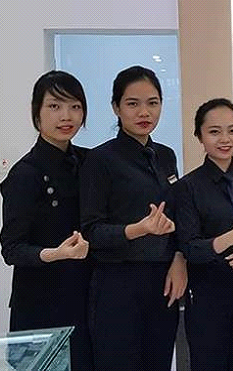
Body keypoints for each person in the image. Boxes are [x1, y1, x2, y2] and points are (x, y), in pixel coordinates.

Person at [80, 66, 187, 371]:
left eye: (153, 103)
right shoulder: (100, 159)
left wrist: (179, 259)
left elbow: (176, 215)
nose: (144, 112)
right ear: (116, 107)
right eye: (132, 103)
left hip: (163, 281)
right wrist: (138, 229)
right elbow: (91, 231)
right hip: (117, 283)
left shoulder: (166, 155)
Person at [0, 71, 93, 370]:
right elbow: (11, 249)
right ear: (36, 112)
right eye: (54, 106)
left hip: (86, 301)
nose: (66, 116)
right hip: (40, 305)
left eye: (75, 106)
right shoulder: (25, 174)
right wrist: (55, 253)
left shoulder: (90, 162)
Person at [174, 98, 233, 371]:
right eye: (214, 132)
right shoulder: (188, 187)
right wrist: (229, 239)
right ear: (199, 136)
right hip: (208, 298)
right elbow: (189, 247)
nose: (225, 139)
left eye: (232, 130)